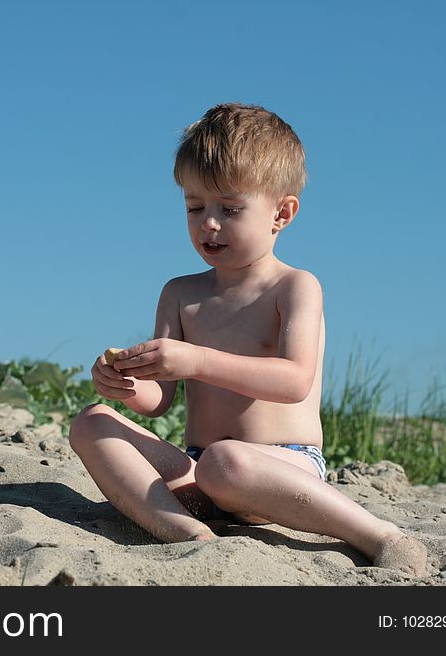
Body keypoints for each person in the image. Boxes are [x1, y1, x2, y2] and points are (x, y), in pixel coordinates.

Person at [69, 103, 427, 576]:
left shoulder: (295, 286)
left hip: (279, 467)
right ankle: (188, 531)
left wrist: (196, 359)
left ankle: (377, 534)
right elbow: (160, 400)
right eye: (195, 207)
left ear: (282, 212)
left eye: (230, 209)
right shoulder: (180, 293)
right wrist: (125, 383)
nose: (208, 223)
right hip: (199, 470)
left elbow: (294, 381)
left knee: (227, 462)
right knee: (92, 423)